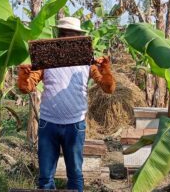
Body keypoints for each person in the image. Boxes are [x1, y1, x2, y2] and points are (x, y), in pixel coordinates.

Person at [17, 17, 116, 192]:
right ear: (58, 35)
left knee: (76, 174)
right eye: (64, 34)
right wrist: (24, 76)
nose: (67, 38)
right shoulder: (46, 60)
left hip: (75, 124)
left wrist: (106, 70)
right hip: (48, 124)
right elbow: (27, 87)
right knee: (45, 177)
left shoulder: (88, 61)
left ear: (78, 37)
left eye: (72, 35)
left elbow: (108, 88)